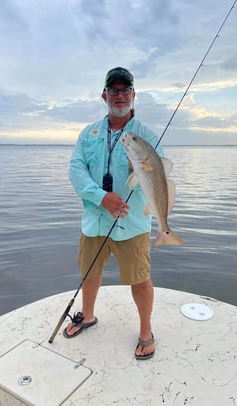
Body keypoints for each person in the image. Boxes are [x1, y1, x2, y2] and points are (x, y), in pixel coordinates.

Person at [63, 67, 164, 360]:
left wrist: (140, 169)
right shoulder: (89, 133)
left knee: (139, 277)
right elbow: (76, 169)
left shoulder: (146, 135)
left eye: (125, 90)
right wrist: (101, 198)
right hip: (94, 220)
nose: (120, 96)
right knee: (89, 271)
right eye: (114, 90)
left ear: (134, 96)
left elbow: (158, 178)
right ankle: (89, 315)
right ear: (104, 95)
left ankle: (146, 332)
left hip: (131, 223)